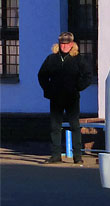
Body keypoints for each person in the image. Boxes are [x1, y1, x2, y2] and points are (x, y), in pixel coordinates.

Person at [37, 32, 93, 164]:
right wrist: (48, 89)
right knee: (55, 127)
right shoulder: (51, 59)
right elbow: (42, 75)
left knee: (75, 126)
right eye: (62, 43)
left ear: (72, 45)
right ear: (59, 44)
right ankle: (56, 155)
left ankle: (77, 156)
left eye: (67, 44)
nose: (64, 46)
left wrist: (78, 87)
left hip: (72, 97)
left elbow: (88, 76)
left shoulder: (79, 59)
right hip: (56, 97)